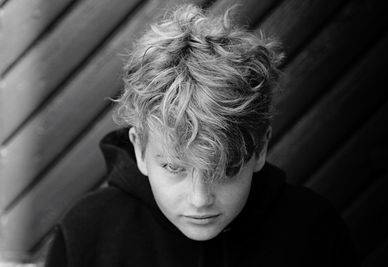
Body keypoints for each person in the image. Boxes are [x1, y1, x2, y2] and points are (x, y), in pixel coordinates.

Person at [45, 4, 359, 267]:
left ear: (261, 147)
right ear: (139, 150)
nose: (200, 200)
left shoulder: (313, 230)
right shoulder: (86, 234)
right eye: (174, 167)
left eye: (224, 170)